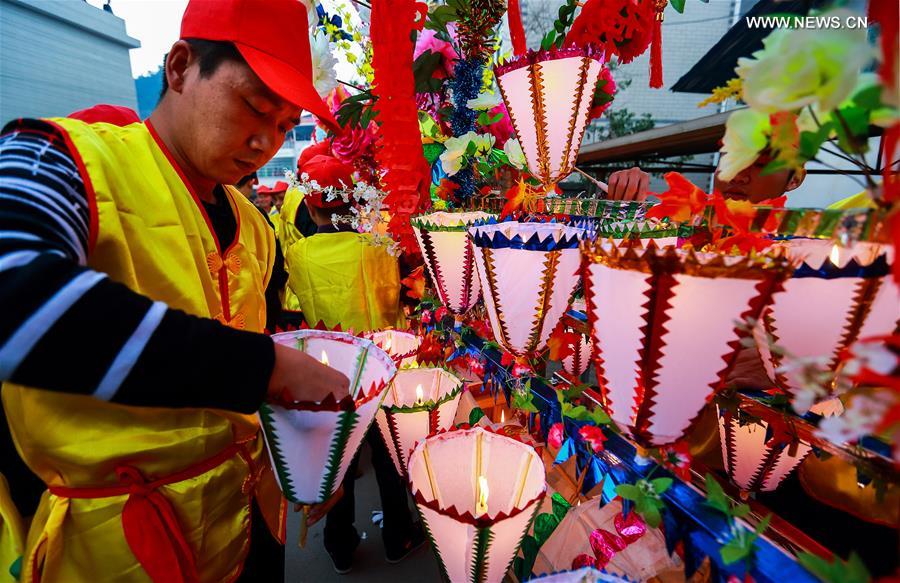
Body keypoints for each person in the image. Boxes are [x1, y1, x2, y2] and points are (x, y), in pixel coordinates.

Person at [0, 0, 351, 581]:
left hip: (247, 530)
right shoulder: (60, 158)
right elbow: (15, 295)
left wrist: (302, 456)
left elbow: (256, 353)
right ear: (181, 66)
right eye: (255, 107)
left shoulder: (254, 225)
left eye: (285, 126)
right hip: (117, 550)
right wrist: (263, 367)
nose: (265, 142)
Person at [285, 154, 423, 574]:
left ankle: (339, 545)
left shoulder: (298, 254)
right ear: (355, 203)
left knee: (338, 461)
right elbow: (399, 299)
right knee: (387, 457)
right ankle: (398, 534)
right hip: (381, 369)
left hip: (328, 374)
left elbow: (293, 306)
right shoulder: (378, 247)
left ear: (310, 208)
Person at [605, 151, 806, 204]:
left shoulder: (803, 252)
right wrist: (623, 205)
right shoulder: (679, 223)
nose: (737, 176)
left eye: (760, 164)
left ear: (794, 180)